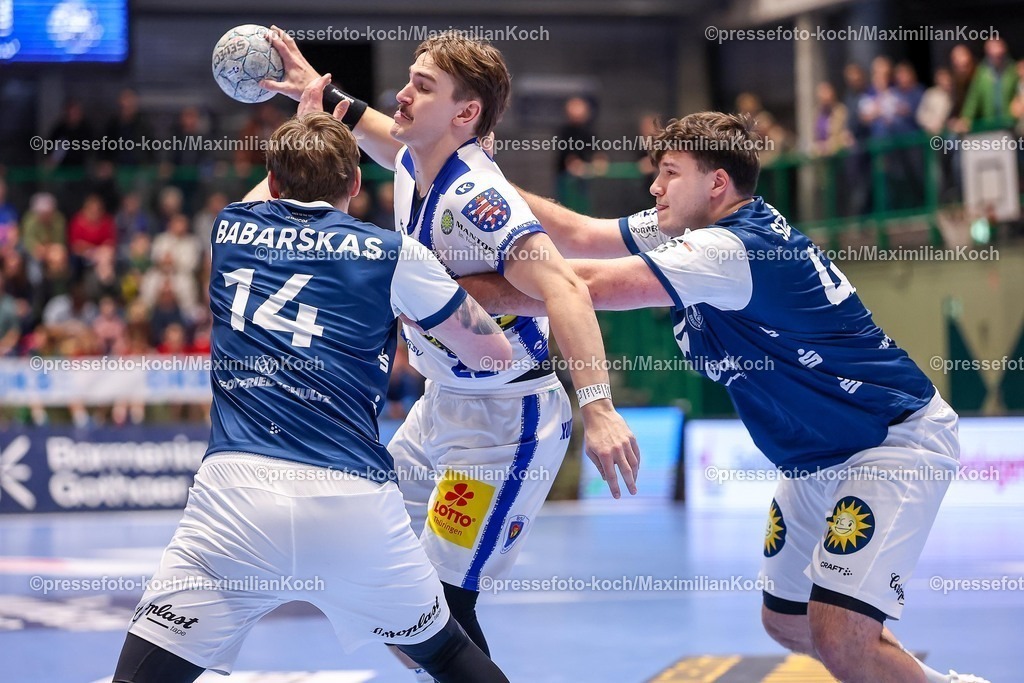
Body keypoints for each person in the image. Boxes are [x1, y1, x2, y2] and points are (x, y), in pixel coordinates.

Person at [457, 112, 990, 683]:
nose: (655, 187)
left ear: (716, 185)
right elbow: (581, 233)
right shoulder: (685, 232)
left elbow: (581, 286)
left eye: (669, 173)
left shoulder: (730, 249)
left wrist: (439, 285)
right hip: (812, 458)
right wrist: (473, 178)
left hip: (888, 440)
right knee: (787, 623)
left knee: (841, 636)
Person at [262, 27, 640, 679]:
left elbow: (567, 289)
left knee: (439, 609)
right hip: (443, 406)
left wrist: (599, 409)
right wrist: (318, 93)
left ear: (466, 115)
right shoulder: (416, 155)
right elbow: (380, 133)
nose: (403, 94)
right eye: (410, 78)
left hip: (504, 425)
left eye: (422, 87)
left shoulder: (478, 201)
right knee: (388, 588)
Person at [110, 82, 515, 683]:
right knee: (449, 655)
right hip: (350, 501)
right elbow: (491, 353)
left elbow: (263, 203)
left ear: (272, 183)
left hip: (234, 501)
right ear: (355, 185)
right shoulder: (391, 253)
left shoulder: (228, 232)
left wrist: (301, 130)